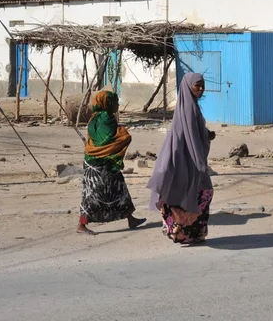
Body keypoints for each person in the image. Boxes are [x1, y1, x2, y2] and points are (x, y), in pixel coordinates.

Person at [147, 73, 216, 244]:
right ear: (188, 86)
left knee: (184, 193)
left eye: (202, 85)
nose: (200, 89)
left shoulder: (189, 105)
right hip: (189, 159)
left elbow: (193, 133)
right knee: (204, 192)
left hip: (184, 157)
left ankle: (184, 232)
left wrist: (207, 135)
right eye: (197, 85)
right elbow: (192, 137)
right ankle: (183, 232)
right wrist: (200, 163)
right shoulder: (189, 109)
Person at [77, 90, 146, 235]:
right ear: (106, 104)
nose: (117, 105)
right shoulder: (106, 118)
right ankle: (81, 225)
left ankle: (130, 218)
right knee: (94, 195)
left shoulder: (93, 118)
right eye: (114, 102)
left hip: (92, 161)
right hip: (101, 164)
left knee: (119, 189)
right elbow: (108, 140)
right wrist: (124, 134)